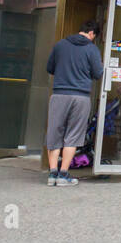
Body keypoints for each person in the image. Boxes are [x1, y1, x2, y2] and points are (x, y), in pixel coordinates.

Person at [44, 19, 104, 187]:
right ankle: (63, 175)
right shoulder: (92, 49)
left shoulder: (60, 45)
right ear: (92, 33)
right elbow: (98, 73)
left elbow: (50, 68)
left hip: (59, 95)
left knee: (54, 133)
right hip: (81, 97)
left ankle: (52, 173)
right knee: (73, 135)